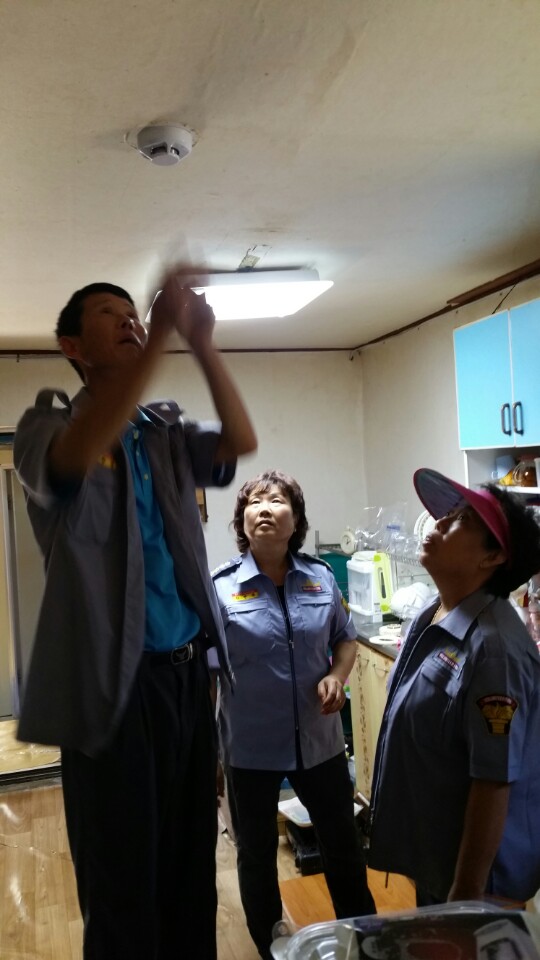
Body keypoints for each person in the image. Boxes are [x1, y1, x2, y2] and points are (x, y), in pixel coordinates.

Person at [13, 274, 257, 960]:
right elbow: (69, 465)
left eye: (133, 315)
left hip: (186, 680)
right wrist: (159, 337)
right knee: (123, 882)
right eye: (108, 314)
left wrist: (202, 344)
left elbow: (239, 440)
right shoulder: (46, 427)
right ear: (72, 346)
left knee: (191, 872)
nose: (128, 322)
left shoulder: (162, 433)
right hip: (110, 692)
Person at [212, 469, 376, 960]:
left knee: (342, 845)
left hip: (320, 743)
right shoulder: (219, 588)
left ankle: (364, 938)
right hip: (250, 748)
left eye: (277, 500)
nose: (265, 508)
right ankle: (271, 946)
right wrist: (207, 750)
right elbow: (204, 673)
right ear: (242, 520)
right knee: (256, 854)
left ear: (297, 519)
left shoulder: (320, 577)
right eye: (254, 501)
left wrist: (338, 677)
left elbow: (345, 639)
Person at [368, 468, 540, 907]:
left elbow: (493, 781)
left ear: (493, 557)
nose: (439, 522)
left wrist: (466, 897)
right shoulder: (432, 612)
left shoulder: (496, 649)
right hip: (437, 854)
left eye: (462, 520)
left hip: (478, 881)